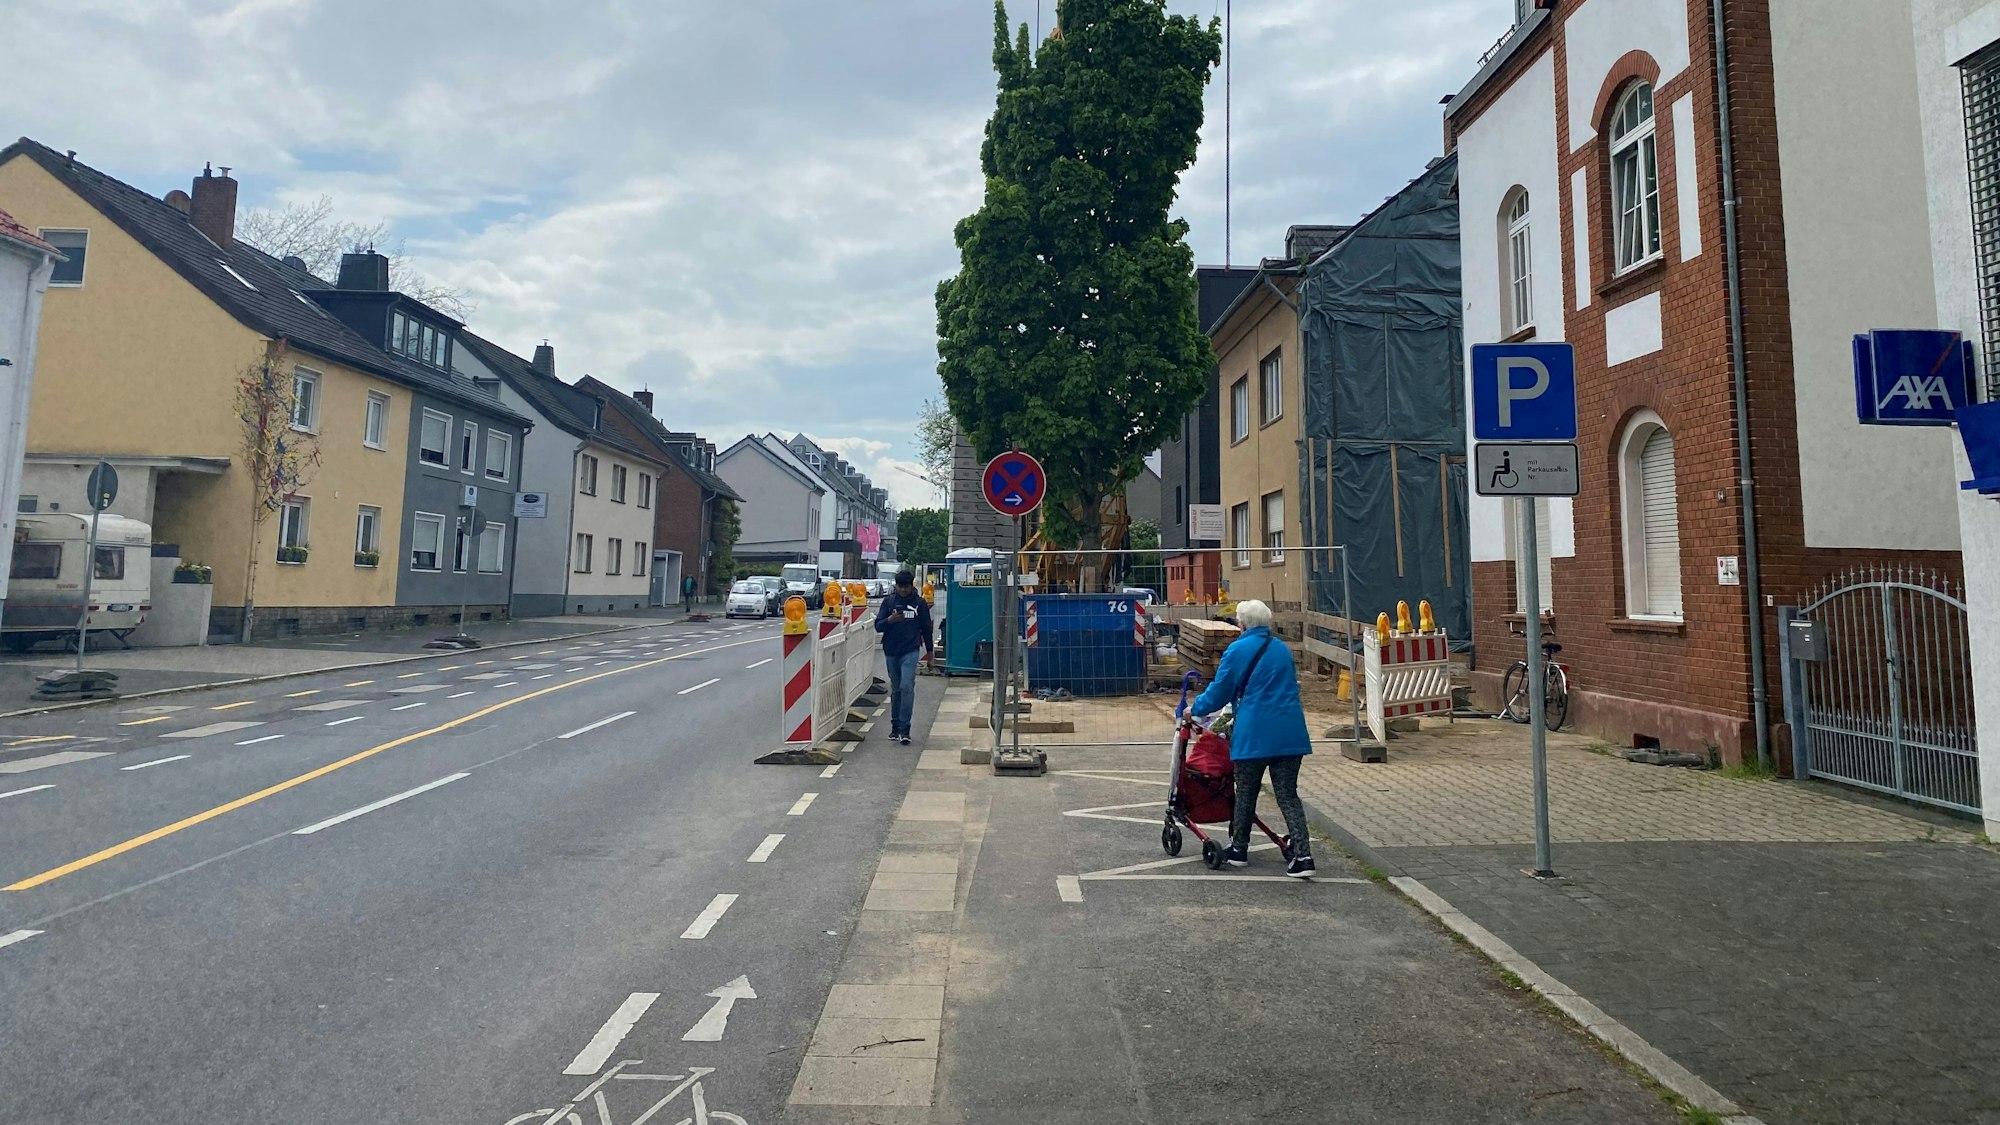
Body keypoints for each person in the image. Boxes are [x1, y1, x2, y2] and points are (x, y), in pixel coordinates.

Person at [1185, 599, 1315, 877]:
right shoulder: (1281, 649)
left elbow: (1220, 692)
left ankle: (1239, 848)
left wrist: (1193, 710)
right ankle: (1303, 857)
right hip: (1290, 732)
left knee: (1245, 791)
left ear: (1242, 624)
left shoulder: (1237, 649)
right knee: (1288, 794)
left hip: (1254, 733)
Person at [874, 569, 934, 745]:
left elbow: (926, 629)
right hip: (891, 651)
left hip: (911, 650)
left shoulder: (920, 604)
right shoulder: (888, 602)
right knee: (897, 689)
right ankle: (895, 725)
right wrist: (890, 620)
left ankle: (905, 728)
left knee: (907, 686)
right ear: (896, 586)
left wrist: (930, 654)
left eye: (906, 587)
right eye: (900, 587)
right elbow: (878, 626)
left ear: (911, 586)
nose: (903, 590)